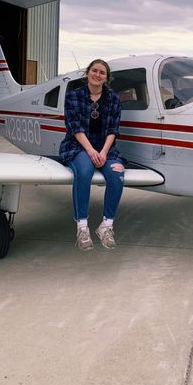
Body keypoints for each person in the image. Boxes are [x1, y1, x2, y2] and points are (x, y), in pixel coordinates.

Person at [59, 59, 125, 251]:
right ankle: (82, 226)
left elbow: (113, 129)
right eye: (94, 71)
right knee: (85, 171)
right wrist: (90, 150)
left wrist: (103, 152)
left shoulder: (113, 99)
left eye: (102, 72)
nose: (97, 75)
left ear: (106, 78)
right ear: (88, 73)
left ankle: (106, 226)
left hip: (105, 147)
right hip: (78, 145)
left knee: (117, 174)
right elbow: (75, 127)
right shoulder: (73, 96)